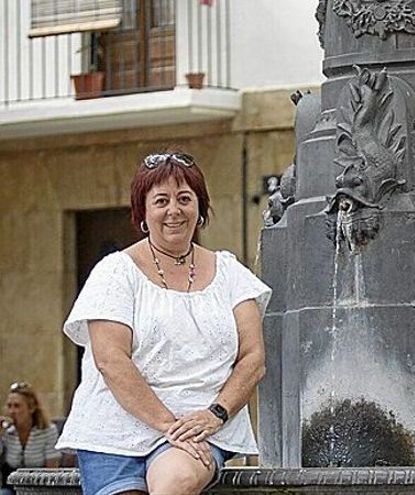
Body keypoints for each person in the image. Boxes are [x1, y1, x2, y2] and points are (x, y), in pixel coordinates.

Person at [56, 151, 271, 495]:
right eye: (161, 201)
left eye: (185, 199)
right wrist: (167, 424)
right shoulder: (115, 272)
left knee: (175, 481)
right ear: (143, 213)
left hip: (198, 427)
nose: (174, 210)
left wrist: (215, 414)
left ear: (200, 209)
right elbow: (111, 360)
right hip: (114, 430)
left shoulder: (231, 273)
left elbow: (253, 359)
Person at [1, 382, 62, 494]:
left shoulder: (47, 431)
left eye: (17, 406)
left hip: (39, 488)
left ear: (31, 408)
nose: (12, 411)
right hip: (11, 488)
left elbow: (53, 469)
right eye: (9, 406)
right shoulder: (7, 433)